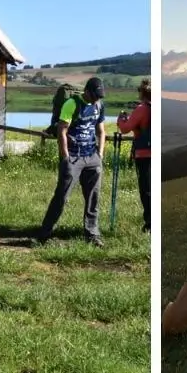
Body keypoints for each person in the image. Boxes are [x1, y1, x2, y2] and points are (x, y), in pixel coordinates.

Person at [36, 76, 107, 247]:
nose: (97, 99)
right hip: (73, 157)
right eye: (95, 95)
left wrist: (100, 155)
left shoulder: (99, 105)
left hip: (92, 157)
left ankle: (92, 233)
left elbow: (101, 131)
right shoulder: (72, 104)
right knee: (62, 196)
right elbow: (62, 131)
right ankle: (44, 234)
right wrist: (66, 157)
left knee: (93, 197)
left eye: (100, 96)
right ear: (87, 91)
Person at [115, 78, 151, 232]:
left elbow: (125, 129)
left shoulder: (142, 109)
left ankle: (150, 223)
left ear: (142, 93)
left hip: (144, 154)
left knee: (146, 189)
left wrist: (121, 119)